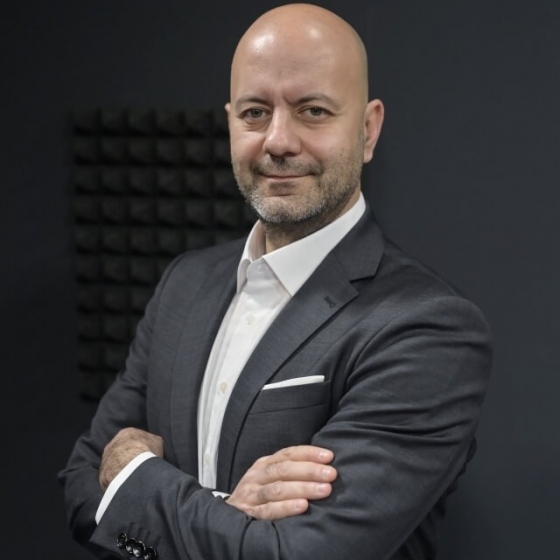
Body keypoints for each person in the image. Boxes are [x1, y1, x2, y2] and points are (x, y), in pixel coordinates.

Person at [59, 4, 492, 559]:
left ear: (367, 130)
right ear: (230, 122)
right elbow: (79, 486)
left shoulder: (428, 327)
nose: (278, 141)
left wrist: (132, 473)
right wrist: (226, 510)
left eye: (312, 111)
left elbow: (298, 555)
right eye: (255, 112)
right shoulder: (185, 283)